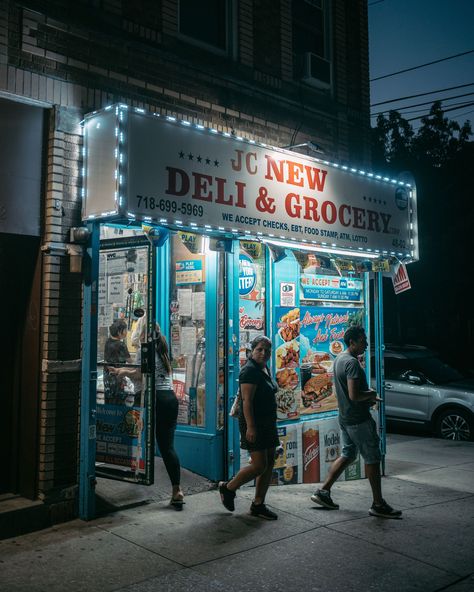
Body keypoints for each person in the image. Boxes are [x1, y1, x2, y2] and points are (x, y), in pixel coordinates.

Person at [311, 325, 402, 519]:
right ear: (352, 342)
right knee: (372, 458)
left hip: (345, 417)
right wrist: (371, 394)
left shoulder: (338, 360)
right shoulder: (351, 363)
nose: (366, 344)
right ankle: (378, 504)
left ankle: (323, 492)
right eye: (363, 340)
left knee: (348, 454)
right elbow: (354, 394)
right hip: (358, 419)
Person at [112, 323, 184, 509]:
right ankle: (177, 490)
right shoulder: (163, 349)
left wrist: (121, 372)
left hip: (154, 399)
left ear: (143, 333)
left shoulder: (145, 349)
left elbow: (139, 375)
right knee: (167, 447)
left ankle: (137, 472)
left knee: (136, 436)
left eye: (138, 330)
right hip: (169, 398)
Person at [218, 335, 279, 520]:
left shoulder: (264, 367)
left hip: (267, 421)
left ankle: (258, 504)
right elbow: (246, 402)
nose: (264, 353)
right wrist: (251, 427)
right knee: (259, 465)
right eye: (260, 349)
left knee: (269, 463)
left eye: (267, 350)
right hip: (254, 423)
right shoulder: (249, 371)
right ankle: (228, 488)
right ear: (252, 350)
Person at [103, 319, 133, 404]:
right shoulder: (121, 345)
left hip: (107, 376)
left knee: (109, 399)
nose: (126, 332)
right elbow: (130, 360)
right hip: (117, 375)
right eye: (125, 330)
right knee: (118, 400)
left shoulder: (107, 341)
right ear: (119, 332)